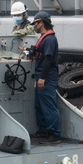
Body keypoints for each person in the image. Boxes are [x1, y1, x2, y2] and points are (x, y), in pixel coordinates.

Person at [30, 10, 61, 144]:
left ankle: (54, 134)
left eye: (36, 24)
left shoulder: (49, 39)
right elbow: (43, 57)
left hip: (46, 78)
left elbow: (48, 59)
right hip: (41, 77)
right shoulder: (45, 39)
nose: (34, 27)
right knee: (39, 105)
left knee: (48, 106)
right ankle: (44, 130)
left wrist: (42, 77)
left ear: (41, 23)